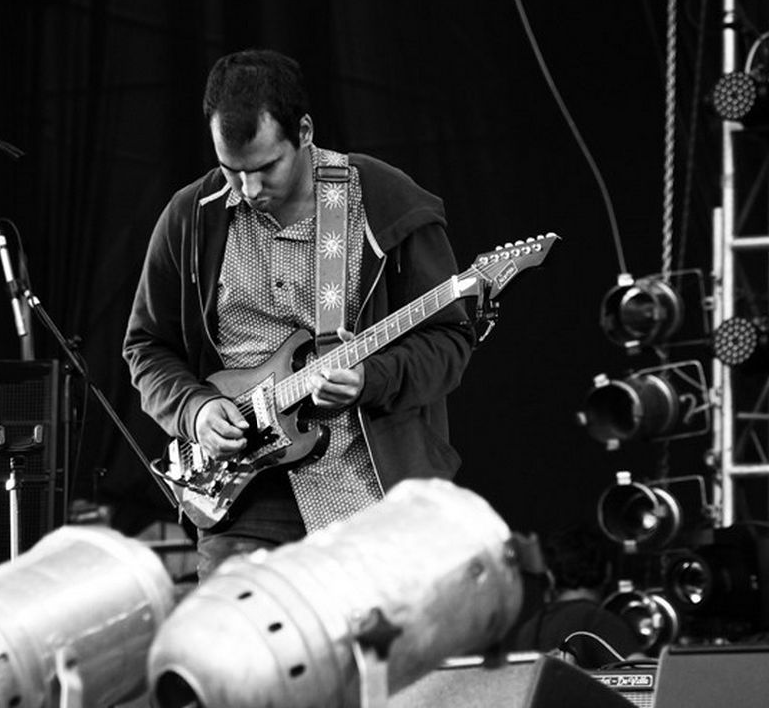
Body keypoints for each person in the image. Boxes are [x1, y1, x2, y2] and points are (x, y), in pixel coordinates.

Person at [123, 50, 474, 580]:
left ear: (304, 132)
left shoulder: (385, 200)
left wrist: (371, 378)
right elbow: (146, 347)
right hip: (246, 498)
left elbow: (448, 341)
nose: (249, 190)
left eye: (266, 167)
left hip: (372, 485)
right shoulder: (190, 217)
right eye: (232, 170)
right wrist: (194, 409)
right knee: (237, 631)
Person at [507, 524, 645, 667]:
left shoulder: (528, 630)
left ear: (551, 576)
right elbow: (641, 673)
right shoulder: (599, 621)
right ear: (608, 571)